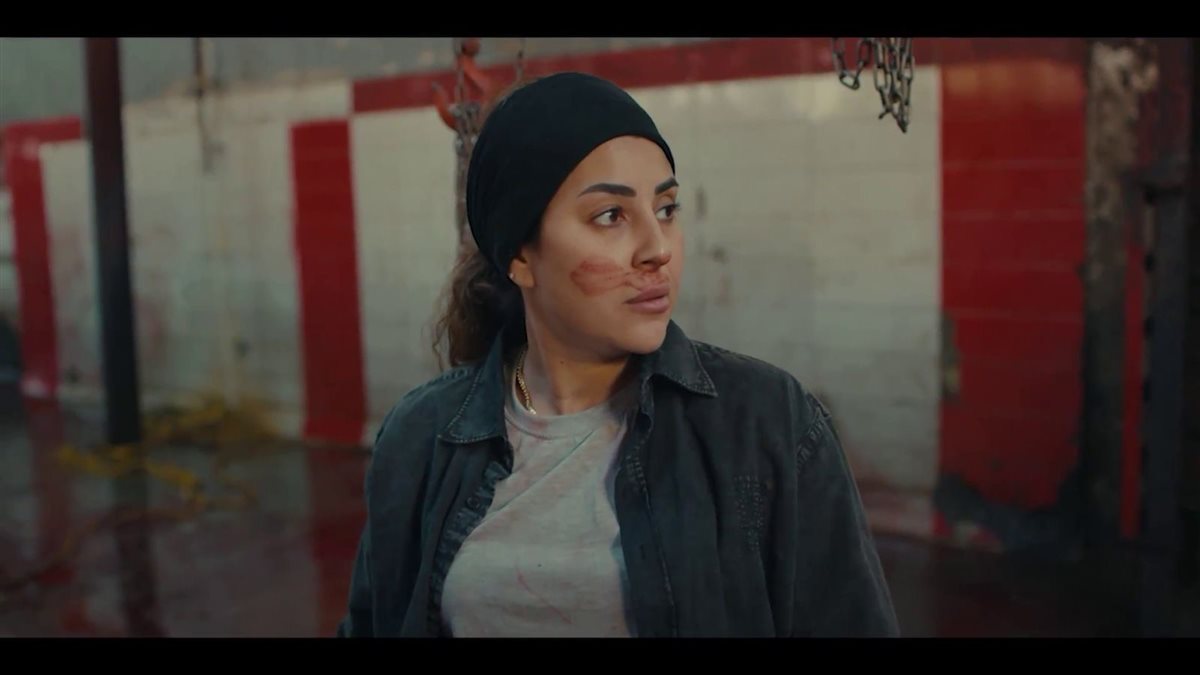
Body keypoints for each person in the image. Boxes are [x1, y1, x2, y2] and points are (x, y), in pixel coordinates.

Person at [336, 72, 899, 638]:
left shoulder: (768, 424)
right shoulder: (420, 437)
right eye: (610, 215)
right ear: (521, 257)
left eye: (667, 209)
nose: (657, 249)